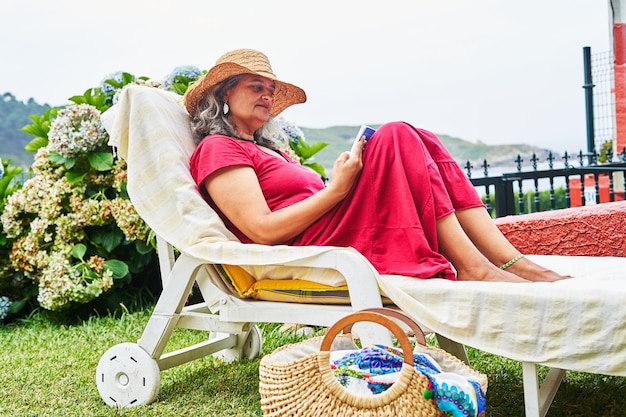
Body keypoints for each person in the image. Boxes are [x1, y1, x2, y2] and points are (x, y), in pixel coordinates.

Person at [186, 48, 567, 283]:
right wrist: (337, 188)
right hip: (312, 245)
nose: (267, 96)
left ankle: (508, 260)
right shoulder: (218, 148)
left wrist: (344, 182)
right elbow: (263, 230)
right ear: (223, 94)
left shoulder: (271, 150)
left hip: (333, 224)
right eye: (256, 87)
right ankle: (473, 267)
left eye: (270, 90)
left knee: (422, 139)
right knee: (396, 134)